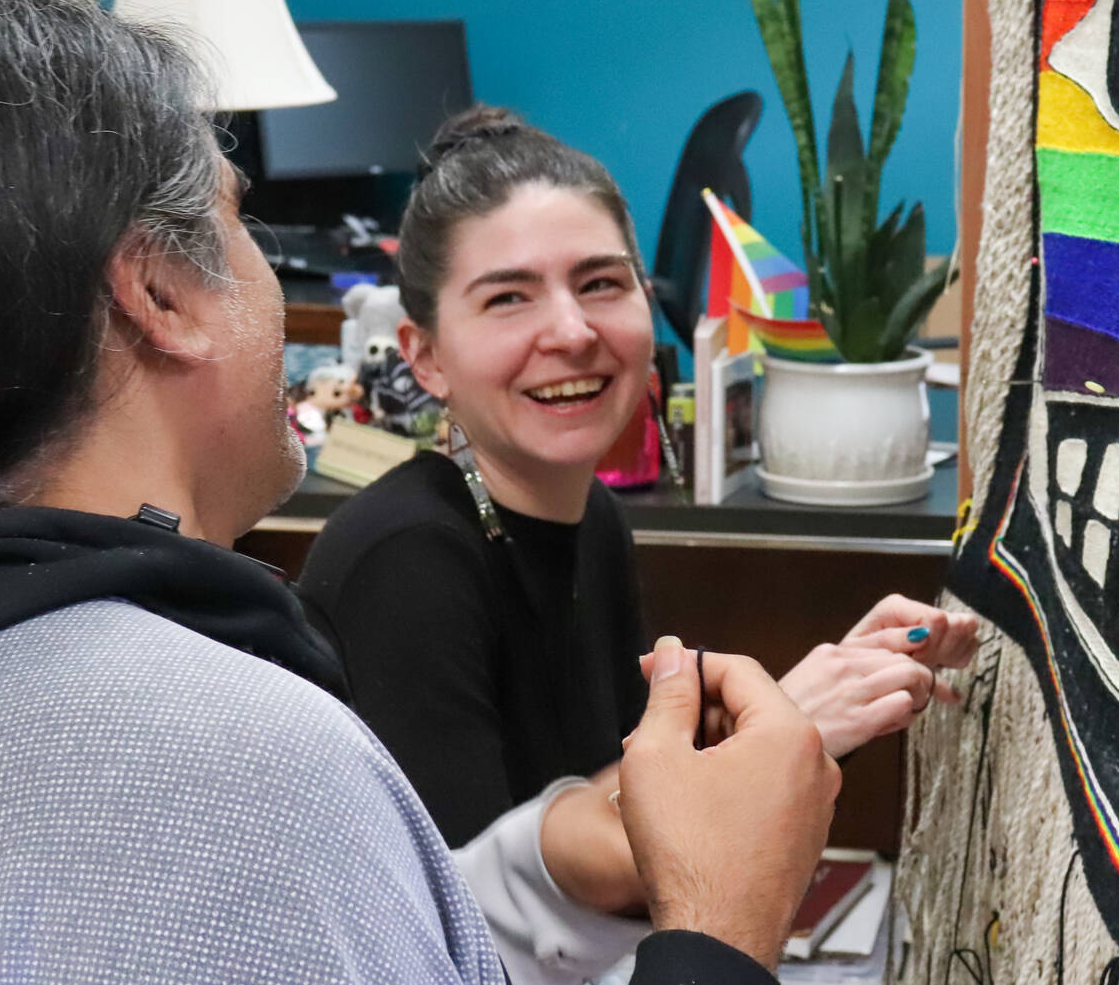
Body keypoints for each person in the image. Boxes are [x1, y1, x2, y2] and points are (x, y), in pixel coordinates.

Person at [0, 0, 841, 985]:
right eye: (241, 222)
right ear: (160, 294)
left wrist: (557, 865)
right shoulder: (187, 772)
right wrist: (721, 936)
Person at [298, 107, 981, 855]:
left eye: (599, 283)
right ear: (424, 357)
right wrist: (791, 724)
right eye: (508, 297)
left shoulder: (593, 520)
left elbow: (620, 805)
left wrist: (831, 694)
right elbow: (482, 923)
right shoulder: (404, 559)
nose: (571, 331)